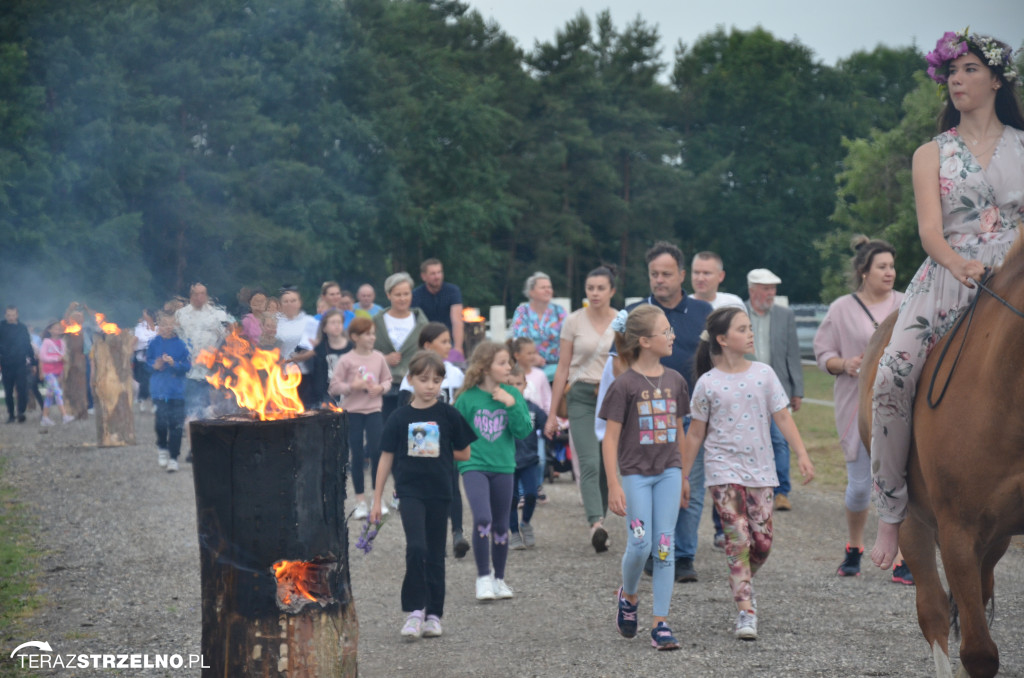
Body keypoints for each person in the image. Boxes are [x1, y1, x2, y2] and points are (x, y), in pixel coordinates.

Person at [870, 31, 1024, 572]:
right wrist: (958, 263)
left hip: (1018, 273)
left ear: (997, 79)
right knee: (892, 374)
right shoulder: (930, 153)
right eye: (951, 72)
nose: (957, 80)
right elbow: (930, 232)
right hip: (948, 275)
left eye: (969, 70)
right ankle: (891, 509)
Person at [682, 307, 815, 640]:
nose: (751, 333)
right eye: (743, 329)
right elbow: (695, 434)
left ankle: (740, 576)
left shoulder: (764, 374)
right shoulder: (706, 384)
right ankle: (745, 610)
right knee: (737, 539)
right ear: (723, 339)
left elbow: (783, 418)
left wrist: (801, 454)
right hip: (722, 471)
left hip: (761, 471)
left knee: (762, 543)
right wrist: (683, 476)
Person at [606, 242, 712, 582]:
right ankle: (651, 549)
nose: (660, 280)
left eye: (667, 274)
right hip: (646, 415)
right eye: (654, 274)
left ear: (682, 275)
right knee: (649, 484)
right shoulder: (635, 313)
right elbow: (618, 358)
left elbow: (713, 359)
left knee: (688, 485)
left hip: (690, 410)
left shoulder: (701, 311)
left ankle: (682, 555)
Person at [813, 237, 913, 583]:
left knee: (904, 481)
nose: (890, 272)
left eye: (891, 266)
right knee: (859, 486)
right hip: (857, 404)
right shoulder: (841, 308)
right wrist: (846, 364)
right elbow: (823, 354)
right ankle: (854, 546)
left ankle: (902, 556)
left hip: (902, 404)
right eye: (882, 267)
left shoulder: (908, 302)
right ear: (863, 272)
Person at [600, 305, 689, 650]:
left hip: (668, 473)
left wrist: (682, 476)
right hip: (636, 475)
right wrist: (614, 484)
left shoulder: (676, 381)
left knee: (665, 547)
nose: (672, 336)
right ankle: (630, 596)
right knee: (641, 544)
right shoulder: (624, 385)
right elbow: (609, 438)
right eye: (666, 332)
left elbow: (680, 429)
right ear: (644, 341)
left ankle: (660, 623)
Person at [371, 351, 476, 640]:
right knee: (416, 547)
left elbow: (465, 452)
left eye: (436, 380)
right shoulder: (399, 416)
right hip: (409, 492)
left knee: (435, 553)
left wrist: (438, 449)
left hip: (440, 492)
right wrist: (376, 500)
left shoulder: (448, 414)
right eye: (424, 379)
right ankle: (415, 611)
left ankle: (434, 615)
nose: (430, 385)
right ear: (410, 380)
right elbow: (386, 457)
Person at [544, 265, 619, 553]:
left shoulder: (621, 321)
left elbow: (627, 361)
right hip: (581, 395)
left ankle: (600, 515)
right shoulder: (573, 321)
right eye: (590, 288)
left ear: (612, 291)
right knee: (589, 460)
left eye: (601, 288)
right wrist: (552, 414)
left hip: (613, 396)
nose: (595, 293)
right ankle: (596, 524)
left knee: (607, 463)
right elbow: (562, 367)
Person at [454, 341, 532, 601]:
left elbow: (523, 431)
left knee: (500, 525)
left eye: (509, 362)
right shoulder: (467, 398)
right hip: (473, 465)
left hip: (504, 467)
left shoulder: (513, 394)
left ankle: (499, 579)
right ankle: (483, 578)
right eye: (502, 362)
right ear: (485, 367)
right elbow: (455, 435)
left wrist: (511, 403)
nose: (509, 366)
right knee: (483, 518)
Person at [398, 322, 470, 558]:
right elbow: (404, 410)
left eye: (450, 341)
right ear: (428, 345)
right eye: (444, 341)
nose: (449, 345)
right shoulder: (413, 375)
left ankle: (457, 532)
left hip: (447, 436)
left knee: (452, 483)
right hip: (422, 437)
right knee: (428, 487)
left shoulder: (456, 373)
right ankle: (428, 532)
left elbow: (461, 405)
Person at [745, 268, 803, 511]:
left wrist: (796, 389)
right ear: (752, 290)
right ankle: (751, 487)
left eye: (773, 289)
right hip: (745, 388)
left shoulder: (785, 315)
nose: (771, 294)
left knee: (779, 440)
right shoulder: (738, 313)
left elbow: (793, 353)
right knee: (749, 439)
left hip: (777, 388)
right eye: (766, 289)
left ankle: (781, 492)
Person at [330, 317, 392, 519]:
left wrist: (380, 388)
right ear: (355, 337)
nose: (372, 337)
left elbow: (388, 379)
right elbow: (334, 387)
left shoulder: (379, 358)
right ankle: (360, 501)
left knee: (376, 453)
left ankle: (377, 498)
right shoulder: (346, 360)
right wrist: (351, 388)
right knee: (356, 456)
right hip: (352, 412)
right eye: (367, 334)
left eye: (373, 333)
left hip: (374, 410)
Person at [175, 283, 233, 426]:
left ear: (206, 296)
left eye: (202, 294)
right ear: (191, 296)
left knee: (209, 408)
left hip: (211, 369)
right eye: (196, 294)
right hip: (189, 368)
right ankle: (191, 429)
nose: (199, 297)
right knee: (191, 405)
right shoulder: (181, 314)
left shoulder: (217, 314)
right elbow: (177, 337)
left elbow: (227, 337)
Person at [374, 272, 428, 425]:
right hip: (384, 386)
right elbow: (364, 352)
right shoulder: (377, 322)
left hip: (414, 385)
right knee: (387, 428)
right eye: (398, 294)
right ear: (388, 295)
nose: (403, 298)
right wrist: (384, 358)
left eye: (406, 293)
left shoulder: (421, 322)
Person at [506, 365, 546, 551]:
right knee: (511, 499)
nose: (514, 387)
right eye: (510, 384)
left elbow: (546, 424)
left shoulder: (532, 408)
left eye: (518, 383)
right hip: (507, 462)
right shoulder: (500, 408)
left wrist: (552, 426)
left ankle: (525, 523)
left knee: (531, 494)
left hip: (529, 460)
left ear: (525, 384)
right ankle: (513, 532)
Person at [147, 312, 191, 473]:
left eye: (170, 324)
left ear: (175, 325)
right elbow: (146, 364)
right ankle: (162, 447)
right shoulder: (153, 343)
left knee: (176, 425)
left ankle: (173, 457)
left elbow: (187, 366)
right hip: (159, 390)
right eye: (164, 324)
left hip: (177, 391)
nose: (167, 327)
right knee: (160, 422)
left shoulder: (181, 344)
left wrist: (175, 364)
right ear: (159, 325)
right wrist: (155, 365)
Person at [509, 272, 567, 379]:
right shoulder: (522, 312)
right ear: (531, 292)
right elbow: (519, 340)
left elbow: (568, 337)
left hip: (556, 366)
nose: (547, 290)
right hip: (529, 365)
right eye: (543, 287)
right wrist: (533, 357)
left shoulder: (559, 311)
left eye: (549, 287)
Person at [412, 259, 464, 361]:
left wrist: (458, 347)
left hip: (448, 340)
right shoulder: (416, 295)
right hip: (427, 341)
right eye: (432, 274)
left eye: (439, 272)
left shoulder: (453, 291)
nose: (437, 277)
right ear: (423, 276)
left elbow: (457, 321)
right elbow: (414, 323)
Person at [303, 309, 351, 408]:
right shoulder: (319, 350)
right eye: (333, 323)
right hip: (328, 397)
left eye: (339, 322)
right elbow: (318, 380)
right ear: (324, 328)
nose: (337, 325)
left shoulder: (352, 347)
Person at [1, 305, 34, 423]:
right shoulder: (1, 327)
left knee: (22, 388)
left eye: (13, 315)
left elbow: (27, 344)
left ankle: (21, 411)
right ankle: (11, 415)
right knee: (8, 390)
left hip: (20, 363)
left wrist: (33, 362)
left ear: (17, 315)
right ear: (5, 315)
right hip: (6, 364)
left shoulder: (22, 328)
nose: (11, 317)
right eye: (8, 315)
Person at [37, 321, 73, 426]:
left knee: (49, 395)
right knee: (57, 392)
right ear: (50, 330)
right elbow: (42, 356)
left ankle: (44, 418)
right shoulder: (47, 342)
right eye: (55, 328)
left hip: (58, 371)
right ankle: (64, 416)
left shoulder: (62, 342)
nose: (57, 330)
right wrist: (56, 358)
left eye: (59, 328)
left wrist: (63, 367)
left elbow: (64, 356)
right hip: (49, 371)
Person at [133, 309, 158, 413]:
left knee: (154, 381)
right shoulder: (139, 328)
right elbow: (136, 339)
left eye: (145, 315)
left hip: (155, 359)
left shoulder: (158, 328)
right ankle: (142, 400)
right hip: (142, 359)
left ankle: (154, 402)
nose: (143, 317)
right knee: (143, 381)